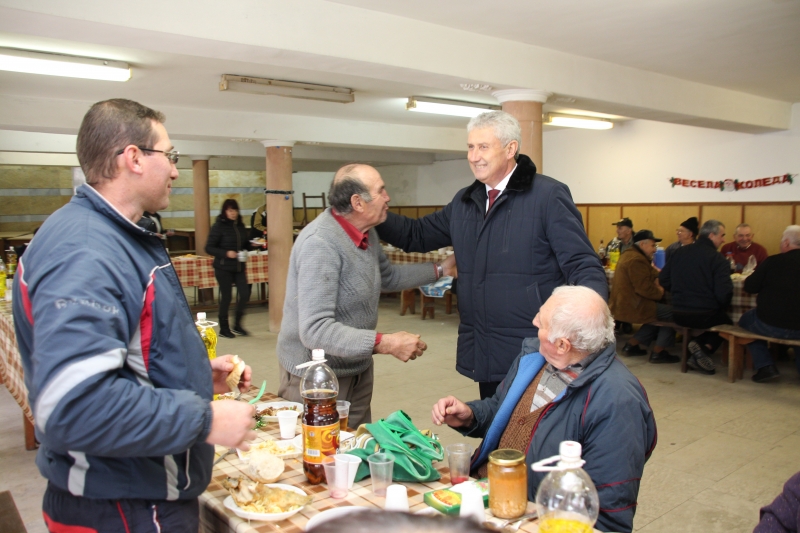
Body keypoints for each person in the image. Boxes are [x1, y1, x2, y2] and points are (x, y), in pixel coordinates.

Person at [12, 99, 256, 532]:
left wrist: (196, 374)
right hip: (123, 505)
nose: (177, 170)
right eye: (171, 156)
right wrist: (205, 419)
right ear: (134, 158)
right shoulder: (86, 250)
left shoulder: (116, 236)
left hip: (132, 497)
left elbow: (132, 349)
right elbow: (75, 406)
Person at [377, 111, 606, 400]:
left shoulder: (548, 196)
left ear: (510, 149)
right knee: (495, 433)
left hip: (535, 349)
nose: (474, 156)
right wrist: (374, 213)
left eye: (483, 147)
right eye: (470, 147)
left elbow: (583, 265)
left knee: (535, 438)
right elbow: (415, 235)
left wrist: (585, 329)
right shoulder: (465, 202)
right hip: (485, 349)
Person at [431, 286, 655, 533]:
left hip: (532, 521)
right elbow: (501, 410)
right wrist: (470, 416)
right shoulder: (535, 358)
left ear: (562, 345)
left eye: (541, 323)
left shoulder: (617, 401)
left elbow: (609, 515)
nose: (534, 322)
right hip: (484, 496)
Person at [276, 164, 455, 427]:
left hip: (356, 367)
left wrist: (441, 269)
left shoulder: (367, 232)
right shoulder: (320, 243)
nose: (388, 197)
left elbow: (387, 277)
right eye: (381, 190)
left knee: (353, 453)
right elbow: (315, 331)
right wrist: (386, 343)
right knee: (317, 456)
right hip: (315, 377)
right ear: (357, 202)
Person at [659, 220, 733, 375]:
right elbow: (723, 294)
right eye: (722, 235)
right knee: (728, 322)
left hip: (678, 312)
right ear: (712, 235)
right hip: (705, 314)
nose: (724, 240)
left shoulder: (679, 252)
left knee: (719, 318)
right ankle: (702, 346)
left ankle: (697, 356)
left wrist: (679, 291)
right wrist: (718, 304)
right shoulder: (718, 260)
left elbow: (663, 279)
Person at [738, 225, 800, 383]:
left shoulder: (772, 261)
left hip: (770, 325)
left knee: (745, 319)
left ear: (786, 243)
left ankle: (766, 366)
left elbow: (750, 286)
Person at [609, 230, 679, 363]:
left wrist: (658, 276)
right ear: (642, 244)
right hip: (633, 305)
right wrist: (660, 291)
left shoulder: (630, 255)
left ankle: (632, 345)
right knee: (673, 314)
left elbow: (650, 273)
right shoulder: (637, 260)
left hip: (625, 303)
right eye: (653, 246)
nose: (654, 250)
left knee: (657, 315)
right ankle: (659, 352)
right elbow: (644, 289)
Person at [206, 199, 254, 338]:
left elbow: (244, 245)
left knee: (244, 294)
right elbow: (209, 247)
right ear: (225, 212)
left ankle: (237, 325)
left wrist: (252, 245)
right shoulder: (218, 226)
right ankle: (224, 328)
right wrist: (226, 253)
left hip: (239, 266)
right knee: (226, 297)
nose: (233, 213)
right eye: (230, 210)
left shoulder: (240, 226)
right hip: (223, 267)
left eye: (235, 210)